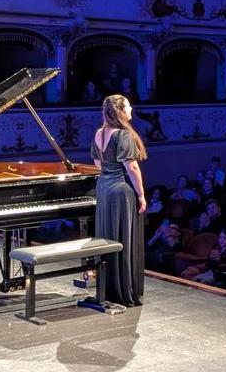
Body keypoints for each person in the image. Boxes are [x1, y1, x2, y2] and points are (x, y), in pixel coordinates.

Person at [90, 94, 147, 307]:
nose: (131, 109)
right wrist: (141, 195)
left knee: (108, 235)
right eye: (129, 106)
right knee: (122, 237)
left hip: (103, 188)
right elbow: (131, 167)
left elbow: (97, 164)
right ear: (121, 111)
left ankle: (109, 287)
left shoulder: (98, 133)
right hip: (120, 190)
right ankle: (124, 290)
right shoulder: (123, 135)